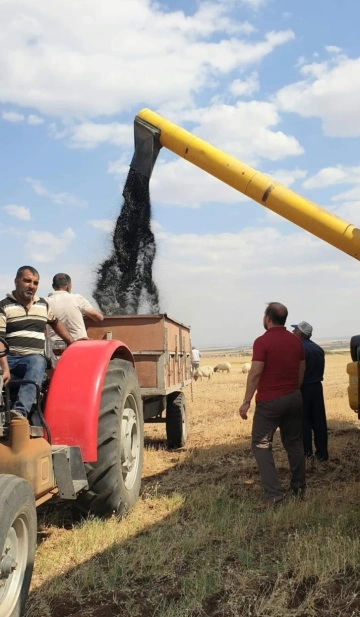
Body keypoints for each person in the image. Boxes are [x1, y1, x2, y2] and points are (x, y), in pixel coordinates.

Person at [239, 302, 306, 507]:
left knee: (260, 444)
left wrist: (246, 401)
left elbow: (256, 372)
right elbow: (301, 371)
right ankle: (299, 489)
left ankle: (274, 495)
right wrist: (293, 389)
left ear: (268, 318)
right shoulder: (296, 342)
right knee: (294, 443)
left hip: (269, 402)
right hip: (294, 397)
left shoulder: (262, 341)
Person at [0, 266, 75, 420]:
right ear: (16, 282)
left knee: (38, 360)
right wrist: (5, 368)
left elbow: (55, 322)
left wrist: (72, 343)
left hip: (32, 359)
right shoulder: (4, 306)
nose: (31, 286)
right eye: (27, 281)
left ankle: (19, 413)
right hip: (9, 358)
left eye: (35, 283)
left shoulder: (43, 305)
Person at [46, 273, 103, 366]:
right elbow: (99, 318)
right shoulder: (77, 298)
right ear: (68, 287)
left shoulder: (46, 302)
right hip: (79, 346)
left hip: (56, 351)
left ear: (53, 286)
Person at [291, 321, 328, 462]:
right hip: (317, 387)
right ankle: (322, 454)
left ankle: (307, 453)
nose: (293, 333)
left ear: (300, 334)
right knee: (319, 422)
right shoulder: (318, 349)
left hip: (303, 388)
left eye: (295, 331)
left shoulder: (298, 349)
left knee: (304, 422)